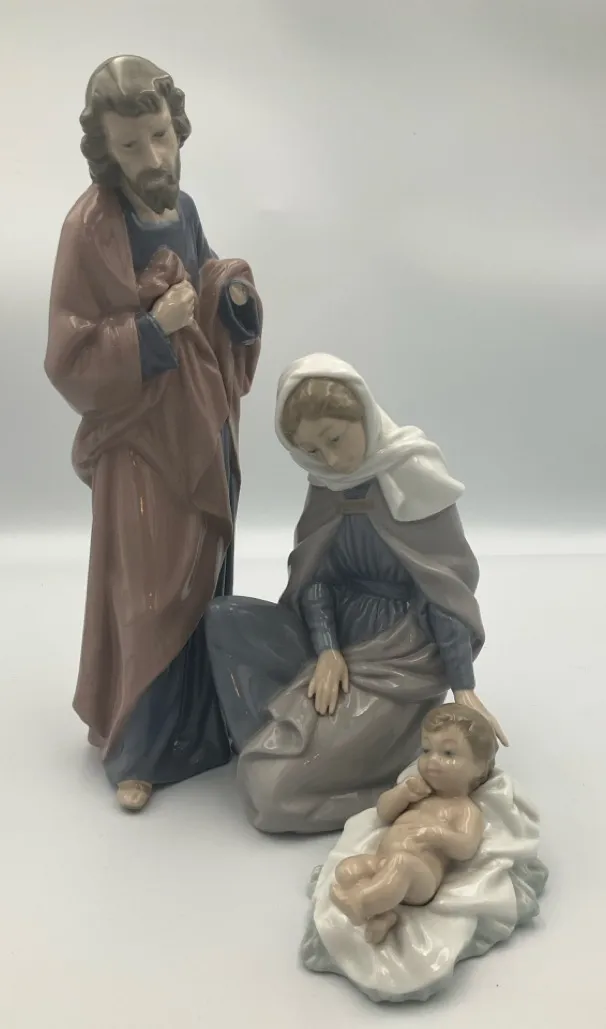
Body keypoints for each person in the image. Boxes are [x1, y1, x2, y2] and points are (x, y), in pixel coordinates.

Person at [44, 55, 262, 812]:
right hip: (137, 437)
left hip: (197, 418)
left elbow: (204, 276)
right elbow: (67, 353)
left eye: (161, 136)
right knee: (147, 591)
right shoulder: (88, 229)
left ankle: (205, 726)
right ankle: (138, 748)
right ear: (106, 149)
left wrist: (229, 293)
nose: (153, 157)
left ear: (177, 128)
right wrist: (148, 332)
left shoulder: (185, 209)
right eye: (132, 145)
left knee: (201, 572)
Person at [205, 353, 505, 835]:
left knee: (269, 795)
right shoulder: (327, 486)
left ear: (362, 414)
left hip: (399, 654)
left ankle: (390, 791)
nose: (330, 460)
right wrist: (327, 650)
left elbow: (442, 589)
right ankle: (279, 737)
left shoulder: (413, 475)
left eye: (335, 439)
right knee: (225, 616)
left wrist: (462, 685)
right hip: (333, 637)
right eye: (310, 449)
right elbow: (315, 578)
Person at [329, 703, 496, 944]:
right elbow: (384, 813)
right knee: (347, 870)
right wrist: (403, 794)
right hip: (382, 863)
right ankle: (382, 915)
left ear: (479, 767)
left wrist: (436, 834)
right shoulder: (419, 792)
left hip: (420, 878)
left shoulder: (465, 809)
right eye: (426, 750)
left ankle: (360, 904)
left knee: (401, 864)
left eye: (448, 753)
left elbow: (466, 847)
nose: (432, 760)